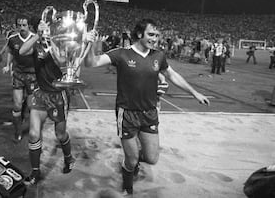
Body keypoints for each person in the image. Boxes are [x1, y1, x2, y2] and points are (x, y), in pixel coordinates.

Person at [85, 18, 210, 195]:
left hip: (150, 113)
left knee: (151, 158)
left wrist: (194, 92)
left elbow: (173, 75)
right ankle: (128, 185)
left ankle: (132, 158)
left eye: (157, 35)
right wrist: (89, 43)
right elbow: (91, 63)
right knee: (132, 159)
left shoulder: (158, 56)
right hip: (127, 114)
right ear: (139, 34)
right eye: (151, 34)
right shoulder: (121, 54)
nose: (155, 38)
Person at [19, 19, 75, 185]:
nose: (46, 30)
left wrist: (51, 41)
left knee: (60, 134)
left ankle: (68, 157)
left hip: (58, 96)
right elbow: (22, 51)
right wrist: (37, 35)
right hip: (40, 94)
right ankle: (36, 171)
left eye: (48, 28)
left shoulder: (61, 44)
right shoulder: (36, 45)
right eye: (43, 27)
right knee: (34, 134)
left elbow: (62, 61)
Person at [2, 15, 37, 142]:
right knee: (16, 105)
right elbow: (11, 52)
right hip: (18, 74)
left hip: (32, 75)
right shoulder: (12, 39)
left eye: (24, 25)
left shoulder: (34, 39)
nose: (22, 28)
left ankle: (25, 115)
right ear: (16, 26)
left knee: (30, 105)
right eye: (19, 25)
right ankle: (18, 131)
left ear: (29, 26)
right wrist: (8, 65)